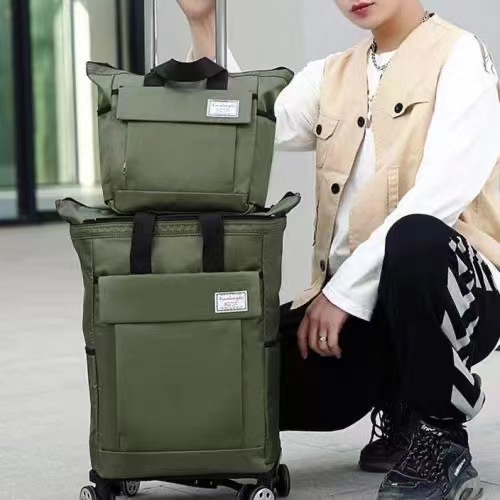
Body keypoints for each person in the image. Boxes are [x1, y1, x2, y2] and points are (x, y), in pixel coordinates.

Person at [177, 0, 500, 498]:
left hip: (455, 289)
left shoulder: (461, 57)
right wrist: (204, 22)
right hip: (357, 306)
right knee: (244, 379)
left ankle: (440, 438)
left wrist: (341, 293)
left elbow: (440, 196)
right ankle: (397, 395)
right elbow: (251, 120)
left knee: (415, 239)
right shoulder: (332, 75)